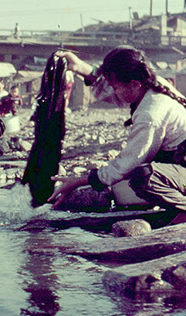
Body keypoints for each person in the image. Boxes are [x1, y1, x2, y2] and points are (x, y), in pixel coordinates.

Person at [49, 47, 186, 220]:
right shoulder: (150, 83)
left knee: (143, 177)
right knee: (122, 185)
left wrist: (77, 181)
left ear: (134, 84)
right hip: (176, 162)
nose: (113, 92)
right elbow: (113, 89)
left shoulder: (150, 114)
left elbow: (126, 164)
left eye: (115, 87)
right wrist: (80, 68)